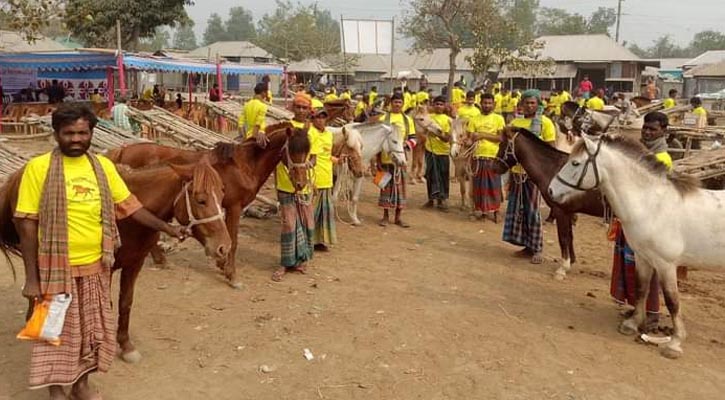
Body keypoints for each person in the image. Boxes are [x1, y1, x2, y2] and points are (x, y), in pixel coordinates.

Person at [14, 103, 185, 400]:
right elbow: (25, 222)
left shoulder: (103, 168)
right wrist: (31, 278)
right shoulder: (38, 168)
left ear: (92, 132)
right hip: (54, 269)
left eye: (83, 132)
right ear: (57, 134)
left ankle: (81, 386)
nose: (76, 139)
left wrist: (168, 228)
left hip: (95, 267)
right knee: (54, 332)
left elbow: (131, 207)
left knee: (91, 331)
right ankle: (56, 390)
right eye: (69, 133)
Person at [610, 111, 673, 330]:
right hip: (633, 216)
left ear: (663, 131)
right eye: (645, 128)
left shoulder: (661, 158)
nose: (647, 132)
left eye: (652, 129)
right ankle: (638, 308)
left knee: (649, 270)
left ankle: (652, 313)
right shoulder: (642, 151)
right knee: (632, 266)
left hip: (649, 222)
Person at [504, 89, 556, 264]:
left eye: (533, 103)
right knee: (520, 210)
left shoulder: (545, 123)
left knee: (533, 211)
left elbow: (550, 150)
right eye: (526, 102)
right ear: (521, 104)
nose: (529, 105)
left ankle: (537, 247)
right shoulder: (515, 123)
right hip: (517, 173)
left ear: (538, 105)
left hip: (534, 175)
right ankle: (527, 245)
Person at [272, 93, 319, 282]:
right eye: (298, 107)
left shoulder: (312, 132)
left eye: (304, 108)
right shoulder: (285, 129)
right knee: (289, 224)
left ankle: (301, 260)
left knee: (307, 222)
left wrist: (306, 165)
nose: (301, 110)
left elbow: (314, 157)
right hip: (285, 183)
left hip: (304, 185)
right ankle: (285, 262)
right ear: (293, 108)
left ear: (309, 110)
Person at [377, 92, 416, 227]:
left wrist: (405, 145)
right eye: (395, 102)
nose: (397, 104)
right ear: (391, 103)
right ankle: (385, 216)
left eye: (400, 102)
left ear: (403, 104)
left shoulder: (407, 120)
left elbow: (413, 139)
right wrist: (376, 162)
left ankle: (398, 217)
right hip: (385, 159)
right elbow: (379, 139)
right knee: (385, 187)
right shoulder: (383, 118)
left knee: (401, 188)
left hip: (401, 160)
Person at [467, 93, 506, 220]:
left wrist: (483, 135)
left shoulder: (498, 119)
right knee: (479, 186)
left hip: (493, 157)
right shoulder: (474, 119)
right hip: (478, 157)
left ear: (494, 104)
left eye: (489, 103)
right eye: (485, 103)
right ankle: (483, 212)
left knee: (494, 185)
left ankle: (496, 211)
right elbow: (470, 138)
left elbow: (500, 138)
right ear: (481, 103)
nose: (487, 105)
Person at [310, 108, 337, 251]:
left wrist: (338, 160)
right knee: (312, 213)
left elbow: (327, 156)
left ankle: (319, 241)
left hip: (327, 178)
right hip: (314, 179)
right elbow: (308, 158)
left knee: (323, 214)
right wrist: (310, 180)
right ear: (313, 119)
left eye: (323, 117)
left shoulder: (328, 134)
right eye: (317, 118)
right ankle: (309, 241)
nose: (320, 120)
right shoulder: (309, 133)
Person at [424, 96, 453, 210]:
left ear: (445, 106)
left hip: (443, 152)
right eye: (436, 104)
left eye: (441, 104)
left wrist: (436, 134)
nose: (438, 106)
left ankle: (442, 200)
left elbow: (447, 138)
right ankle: (430, 199)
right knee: (430, 175)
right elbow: (422, 129)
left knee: (443, 175)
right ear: (433, 105)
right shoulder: (428, 118)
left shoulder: (448, 120)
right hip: (430, 150)